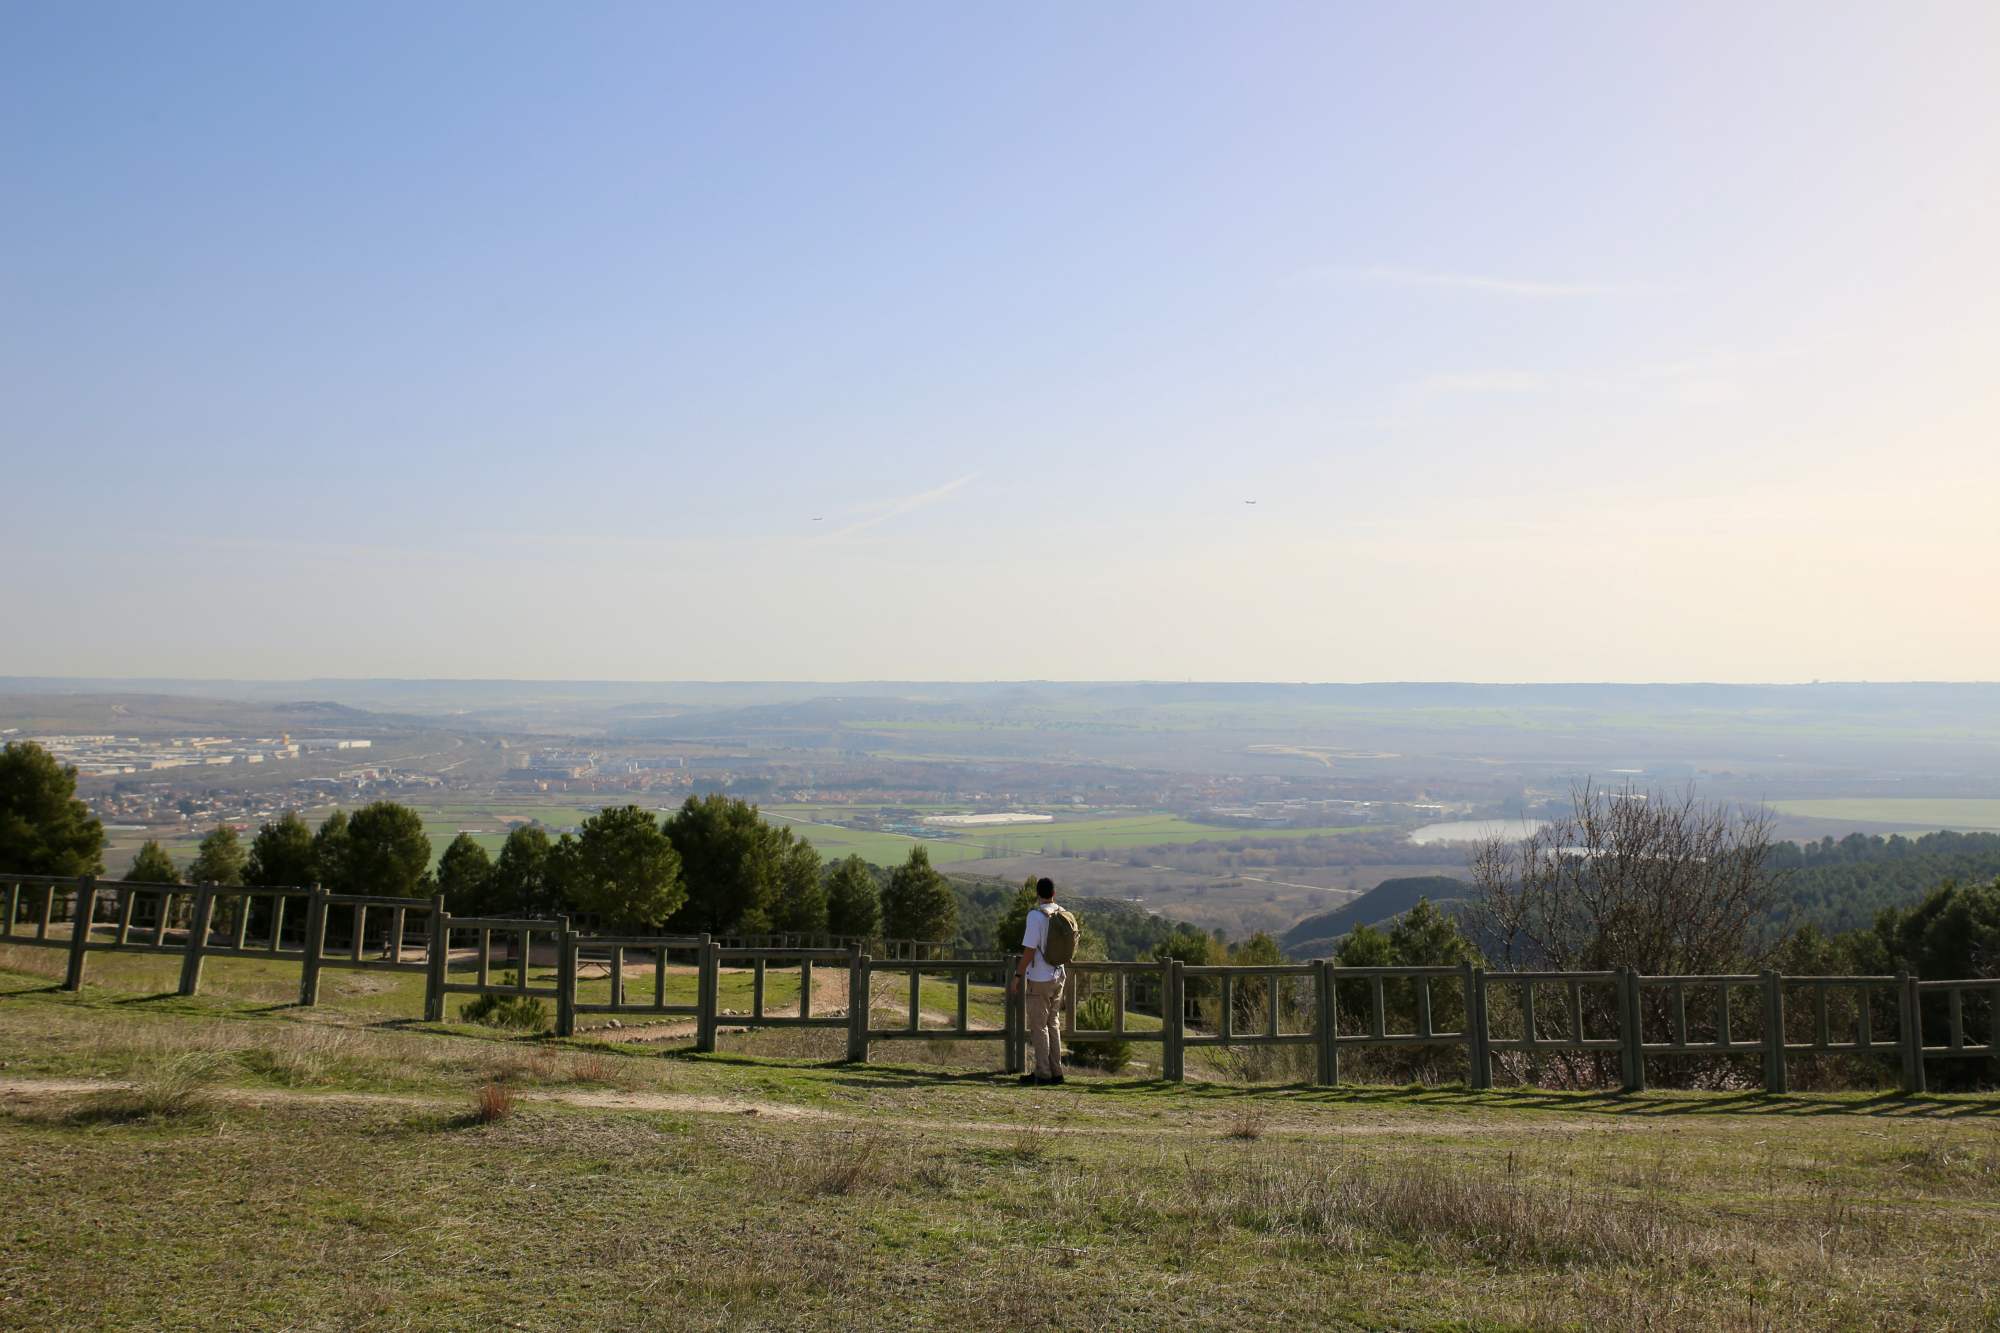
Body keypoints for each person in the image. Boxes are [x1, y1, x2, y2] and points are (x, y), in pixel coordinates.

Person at [1010, 877, 1066, 1086]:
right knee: (1053, 1023)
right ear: (1054, 893)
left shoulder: (1035, 916)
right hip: (1059, 975)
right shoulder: (1061, 912)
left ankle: (1042, 1073)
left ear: (1037, 894)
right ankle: (1056, 1071)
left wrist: (1018, 975)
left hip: (1040, 978)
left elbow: (1030, 950)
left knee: (1038, 1025)